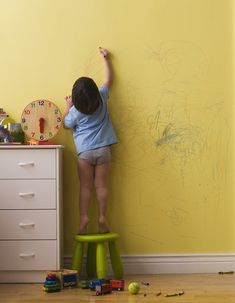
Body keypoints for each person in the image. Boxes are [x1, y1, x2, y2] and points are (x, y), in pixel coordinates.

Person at [63, 47, 117, 234]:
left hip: (85, 153)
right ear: (95, 92)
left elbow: (65, 125)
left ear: (76, 99)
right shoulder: (102, 97)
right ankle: (102, 216)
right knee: (101, 186)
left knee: (85, 187)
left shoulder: (75, 111)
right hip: (103, 151)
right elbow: (109, 80)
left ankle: (84, 217)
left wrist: (68, 107)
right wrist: (106, 60)